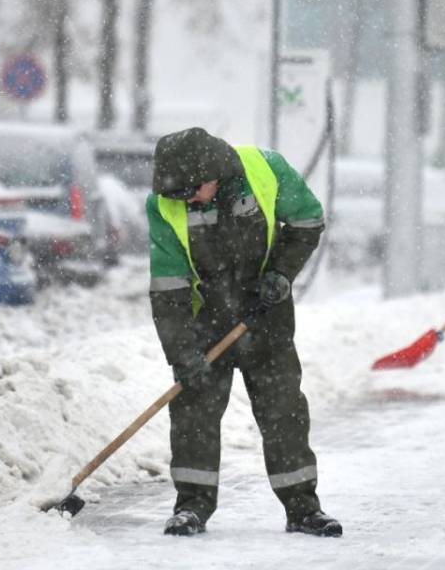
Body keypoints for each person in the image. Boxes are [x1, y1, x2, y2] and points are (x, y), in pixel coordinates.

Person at [146, 127, 341, 537]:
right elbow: (169, 289)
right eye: (177, 196)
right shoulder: (163, 205)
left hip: (264, 317)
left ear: (212, 172)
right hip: (205, 327)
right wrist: (183, 355)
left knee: (283, 411)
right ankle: (192, 506)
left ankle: (303, 508)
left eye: (191, 192)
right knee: (193, 415)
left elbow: (308, 219)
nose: (186, 201)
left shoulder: (265, 170)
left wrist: (280, 273)